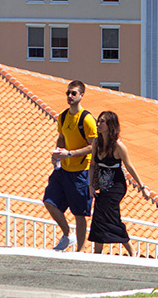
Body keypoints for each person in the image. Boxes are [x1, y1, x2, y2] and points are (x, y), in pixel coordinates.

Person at [45, 80, 96, 251]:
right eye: (68, 93)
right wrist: (57, 153)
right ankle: (68, 235)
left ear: (81, 95)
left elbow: (93, 146)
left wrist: (71, 153)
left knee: (80, 213)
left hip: (81, 172)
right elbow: (61, 138)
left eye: (73, 93)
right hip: (63, 170)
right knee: (49, 201)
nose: (70, 96)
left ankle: (80, 251)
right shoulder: (63, 116)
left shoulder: (87, 119)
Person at [86, 111, 147, 256]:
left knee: (109, 214)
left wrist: (142, 186)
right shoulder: (96, 142)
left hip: (116, 185)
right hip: (102, 183)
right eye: (98, 121)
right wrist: (90, 185)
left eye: (102, 122)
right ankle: (98, 252)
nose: (98, 124)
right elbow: (93, 164)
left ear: (110, 125)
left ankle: (131, 251)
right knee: (99, 216)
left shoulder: (118, 146)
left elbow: (129, 166)